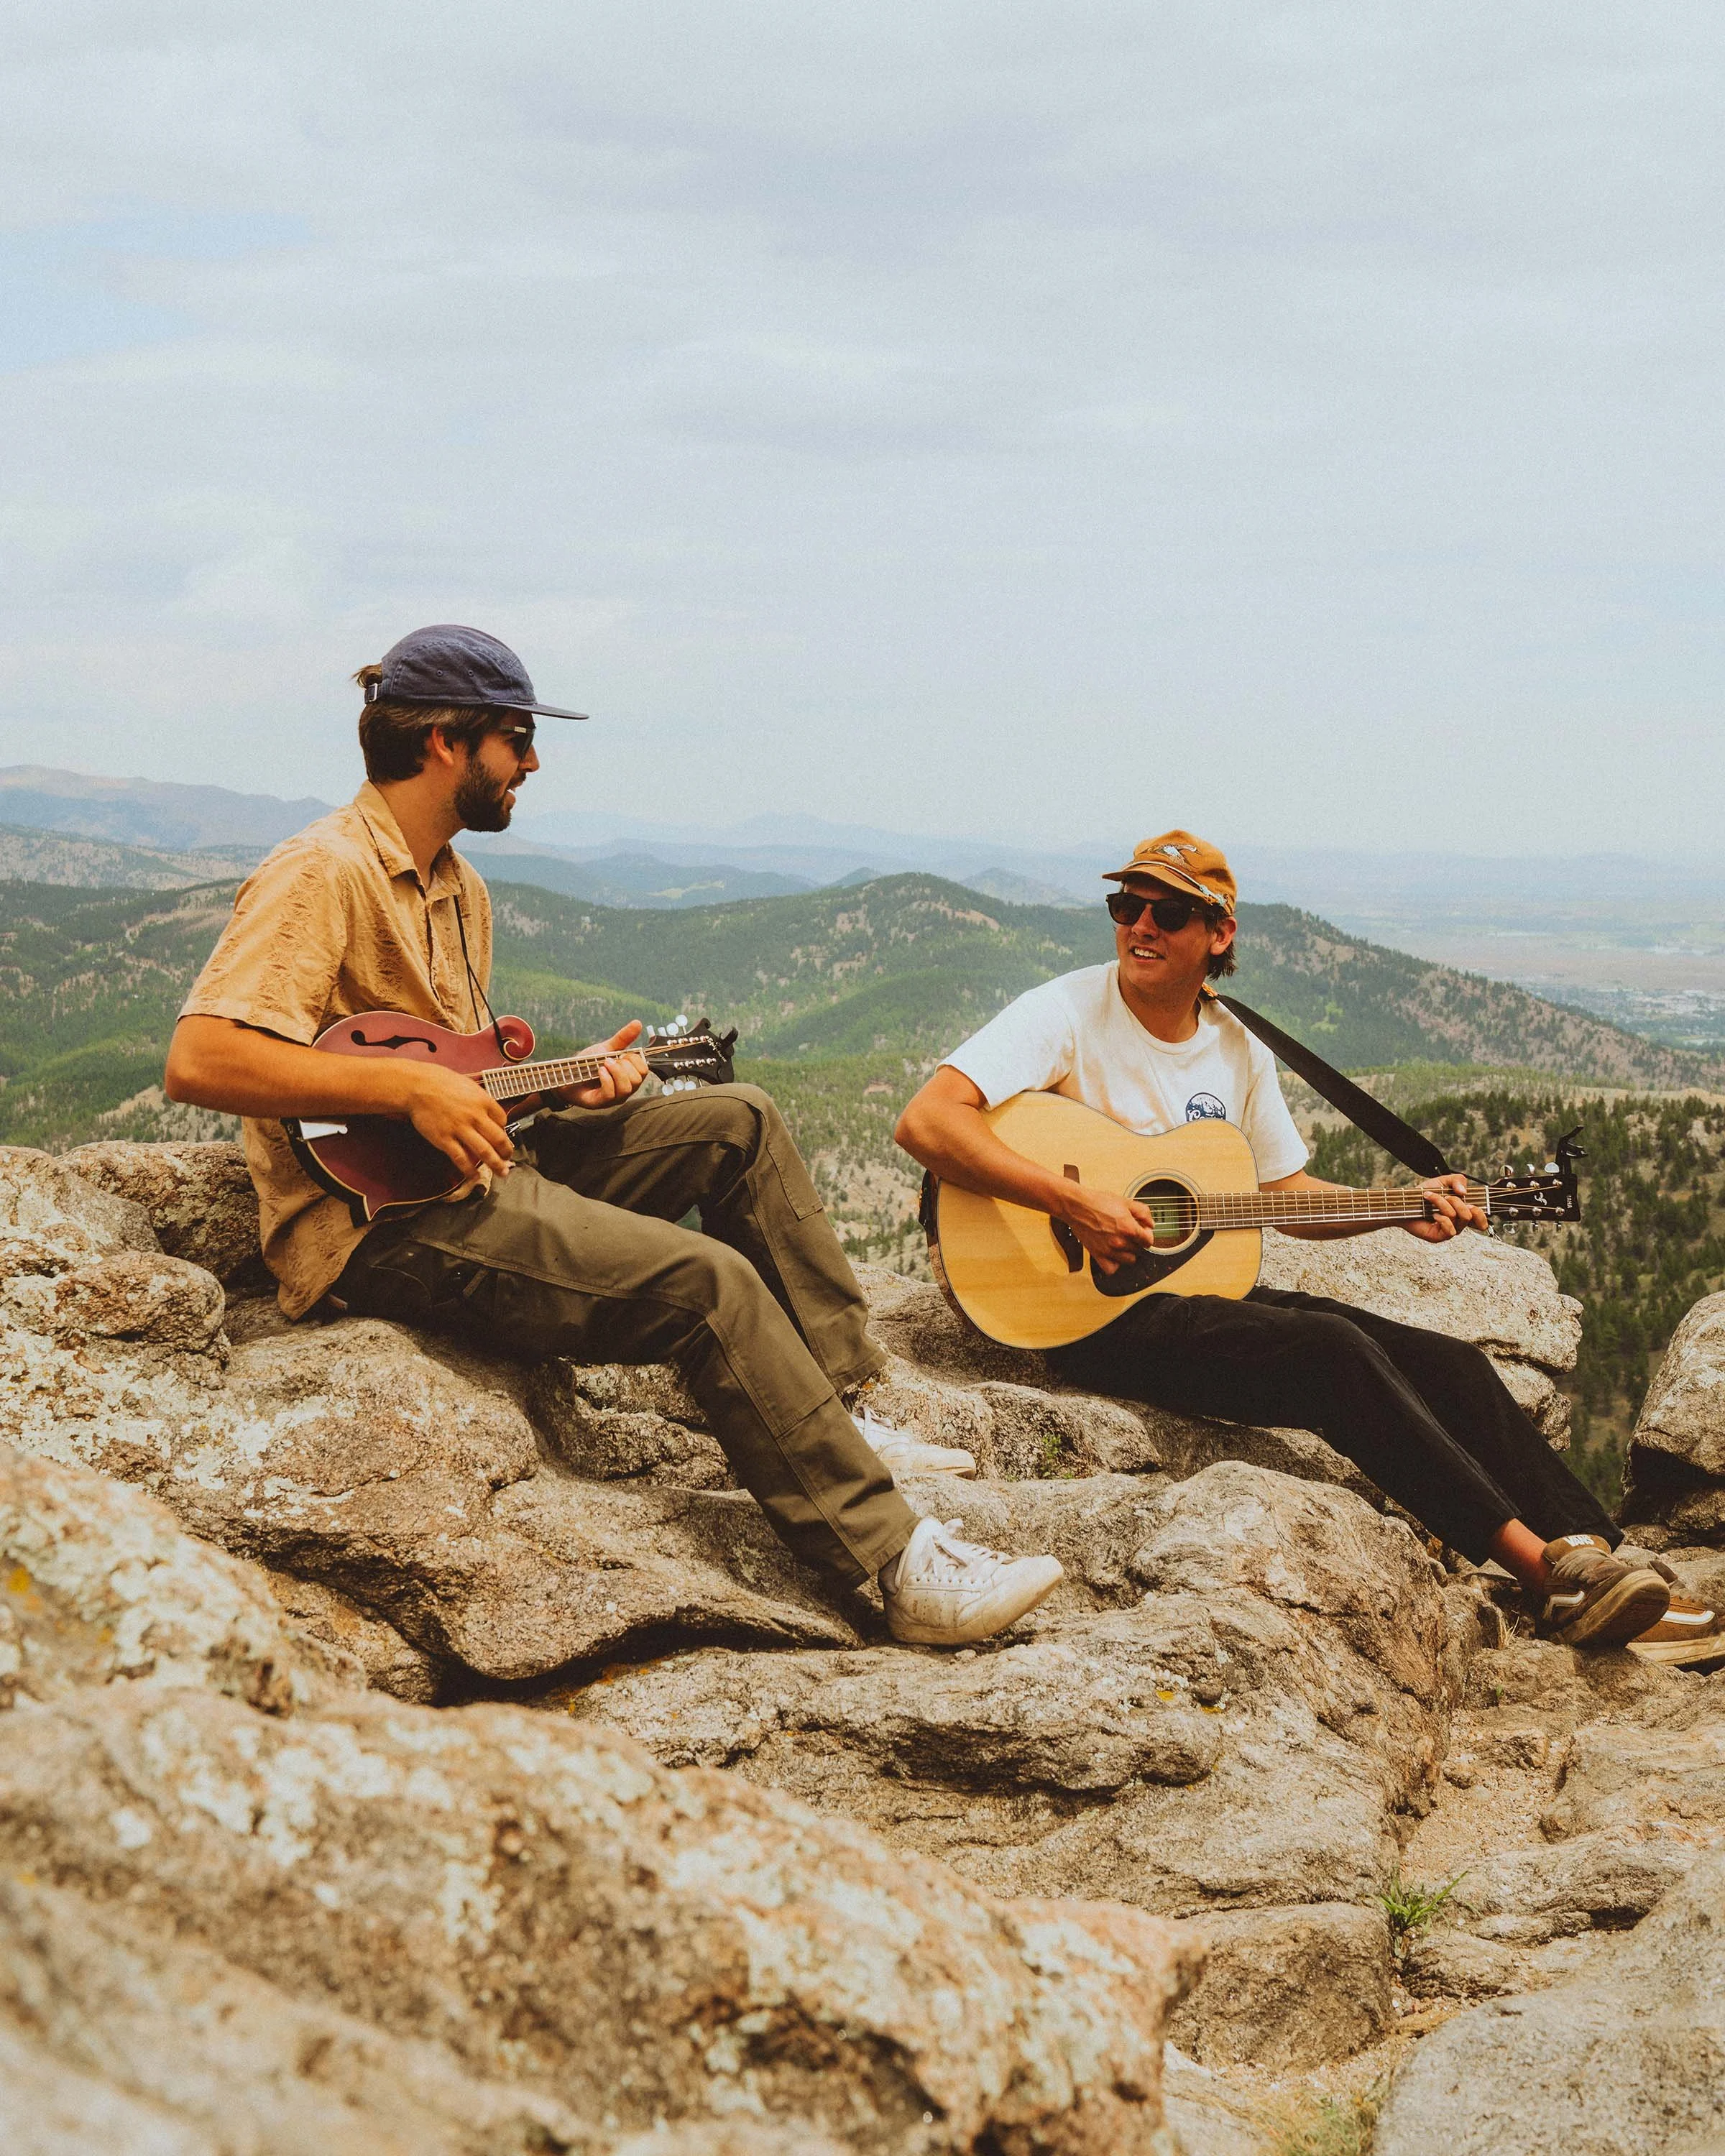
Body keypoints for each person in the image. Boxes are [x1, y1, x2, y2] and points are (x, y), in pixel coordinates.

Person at [165, 624, 1064, 1649]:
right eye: (516, 737)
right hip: (387, 1225)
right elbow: (202, 1059)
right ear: (446, 744)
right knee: (706, 1284)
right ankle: (899, 1566)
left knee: (740, 1119)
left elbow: (458, 1080)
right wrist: (408, 1095)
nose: (534, 762)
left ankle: (833, 1406)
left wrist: (552, 1090)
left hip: (486, 1164)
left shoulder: (459, 886)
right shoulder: (324, 871)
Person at [896, 829, 1723, 1660]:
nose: (1139, 927)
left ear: (1218, 935)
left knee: (1453, 1364)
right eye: (1126, 906)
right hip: (1087, 1314)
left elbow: (1283, 1198)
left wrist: (1398, 1208)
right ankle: (1543, 1576)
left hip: (1198, 1300)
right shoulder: (1064, 1011)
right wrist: (1073, 1202)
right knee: (1329, 1352)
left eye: (1168, 913)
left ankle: (1604, 1567)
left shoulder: (1238, 1046)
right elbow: (927, 1121)